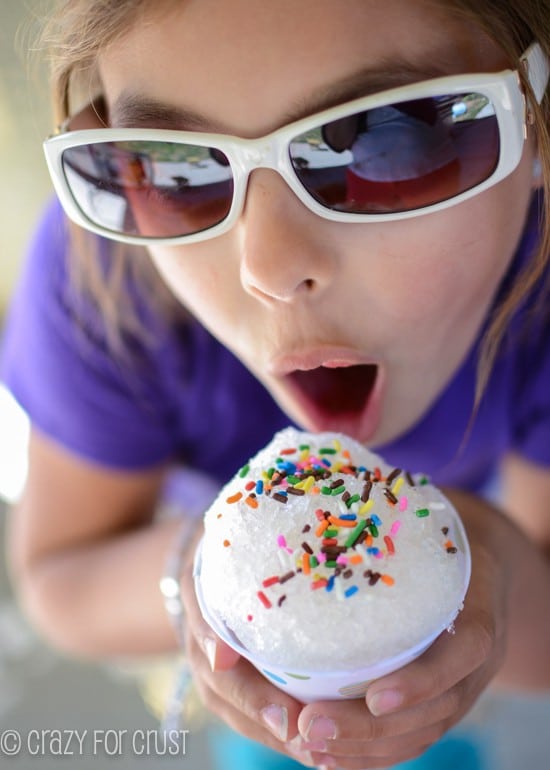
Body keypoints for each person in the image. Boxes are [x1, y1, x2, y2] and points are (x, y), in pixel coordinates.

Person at [2, 1, 550, 768]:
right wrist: (197, 571)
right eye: (173, 166)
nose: (267, 268)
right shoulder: (106, 277)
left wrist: (486, 564)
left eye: (386, 138)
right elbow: (59, 580)